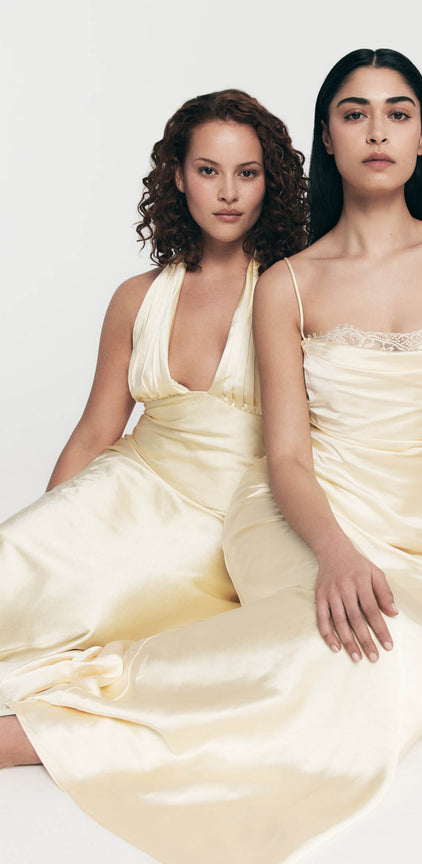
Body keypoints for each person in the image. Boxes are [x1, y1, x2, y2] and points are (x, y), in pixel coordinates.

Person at [0, 49, 422, 864]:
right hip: (292, 516)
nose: (377, 132)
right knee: (322, 636)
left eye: (398, 113)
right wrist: (333, 553)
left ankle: (54, 721)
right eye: (354, 113)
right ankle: (48, 724)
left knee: (394, 665)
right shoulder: (288, 283)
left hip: (405, 541)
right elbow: (286, 456)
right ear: (326, 139)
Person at [0, 88, 307, 754]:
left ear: (269, 183)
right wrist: (56, 532)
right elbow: (94, 430)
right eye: (208, 170)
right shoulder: (138, 298)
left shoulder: (293, 289)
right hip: (123, 489)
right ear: (177, 176)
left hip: (220, 527)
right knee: (13, 570)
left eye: (247, 173)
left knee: (93, 612)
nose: (228, 192)